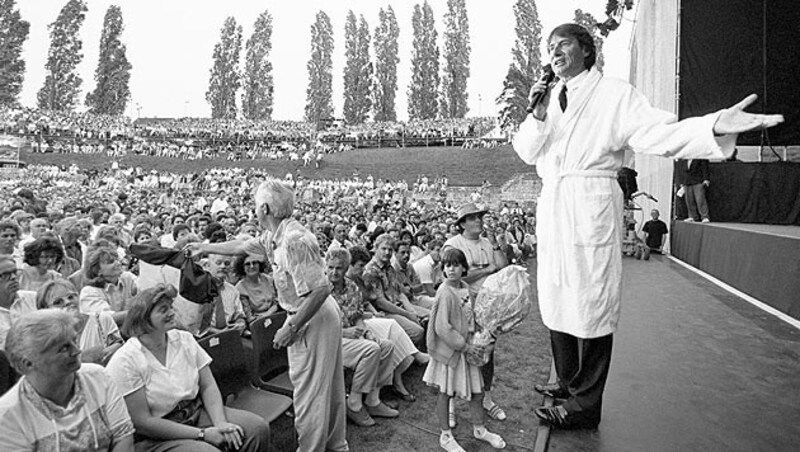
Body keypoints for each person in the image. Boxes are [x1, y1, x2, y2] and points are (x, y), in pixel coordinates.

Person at [513, 23, 783, 429]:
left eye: (563, 43)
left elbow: (657, 133)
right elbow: (526, 151)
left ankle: (585, 404)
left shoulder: (614, 94)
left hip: (590, 201)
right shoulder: (550, 99)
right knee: (556, 294)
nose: (554, 51)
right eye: (550, 46)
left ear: (586, 50)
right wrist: (536, 114)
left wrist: (711, 125)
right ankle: (567, 383)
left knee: (591, 301)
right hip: (554, 203)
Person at [186, 178, 348, 452]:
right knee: (326, 387)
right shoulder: (277, 235)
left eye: (255, 205)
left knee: (310, 392)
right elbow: (242, 245)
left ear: (264, 208)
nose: (253, 210)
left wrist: (292, 326)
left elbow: (320, 289)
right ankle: (334, 444)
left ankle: (313, 448)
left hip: (311, 315)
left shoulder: (294, 240)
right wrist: (205, 248)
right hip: (313, 314)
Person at [105, 285, 271, 452]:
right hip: (156, 435)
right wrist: (202, 434)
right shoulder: (125, 361)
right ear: (143, 318)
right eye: (163, 310)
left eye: (170, 307)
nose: (171, 312)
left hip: (195, 412)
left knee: (257, 429)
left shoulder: (184, 339)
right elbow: (144, 423)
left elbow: (208, 386)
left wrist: (221, 423)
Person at [0, 309, 135, 451]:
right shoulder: (8, 417)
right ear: (27, 363)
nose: (77, 351)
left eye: (74, 340)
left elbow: (123, 438)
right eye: (64, 348)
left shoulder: (98, 377)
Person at [423, 248, 505, 452]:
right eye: (447, 265)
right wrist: (464, 346)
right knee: (445, 392)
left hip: (467, 349)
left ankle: (479, 428)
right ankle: (445, 435)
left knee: (477, 391)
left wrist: (484, 333)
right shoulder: (444, 292)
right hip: (452, 351)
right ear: (443, 269)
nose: (451, 269)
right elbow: (442, 327)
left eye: (456, 265)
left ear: (464, 268)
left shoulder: (465, 287)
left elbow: (471, 316)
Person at [443, 203, 509, 423]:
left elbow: (503, 265)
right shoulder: (453, 244)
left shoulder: (486, 243)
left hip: (487, 305)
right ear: (462, 223)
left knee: (486, 353)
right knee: (456, 354)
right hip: (462, 304)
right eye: (472, 218)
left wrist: (496, 245)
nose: (479, 221)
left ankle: (487, 399)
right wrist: (487, 270)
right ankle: (450, 403)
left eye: (479, 217)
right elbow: (453, 277)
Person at [325, 248, 399, 427]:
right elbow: (316, 327)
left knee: (386, 345)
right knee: (371, 349)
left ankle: (373, 400)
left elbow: (358, 315)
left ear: (346, 268)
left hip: (352, 336)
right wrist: (344, 333)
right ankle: (354, 403)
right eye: (330, 267)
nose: (334, 272)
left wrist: (366, 332)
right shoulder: (321, 290)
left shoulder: (351, 286)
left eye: (339, 268)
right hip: (330, 340)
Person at [36, 279, 124, 365]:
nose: (68, 302)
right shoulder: (47, 337)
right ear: (45, 310)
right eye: (58, 302)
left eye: (71, 297)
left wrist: (111, 350)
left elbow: (118, 343)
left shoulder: (102, 319)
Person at [233, 252, 279, 322]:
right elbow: (249, 317)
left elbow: (277, 302)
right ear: (242, 267)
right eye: (247, 264)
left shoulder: (269, 279)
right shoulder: (240, 288)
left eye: (254, 263)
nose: (252, 266)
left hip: (276, 315)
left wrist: (268, 313)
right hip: (257, 322)